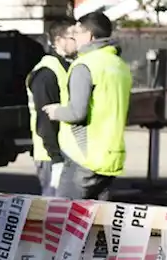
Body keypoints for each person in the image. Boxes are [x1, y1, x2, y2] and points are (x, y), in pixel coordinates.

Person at [43, 11, 132, 200]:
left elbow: (77, 113)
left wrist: (56, 111)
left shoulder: (85, 65)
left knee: (63, 220)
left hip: (83, 157)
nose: (74, 38)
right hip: (111, 156)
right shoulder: (119, 65)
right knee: (96, 222)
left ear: (89, 36)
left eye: (76, 33)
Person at [26, 19, 76, 196]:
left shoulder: (67, 67)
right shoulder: (47, 73)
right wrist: (56, 158)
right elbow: (44, 119)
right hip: (51, 155)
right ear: (59, 40)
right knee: (52, 208)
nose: (78, 40)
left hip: (64, 152)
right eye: (73, 36)